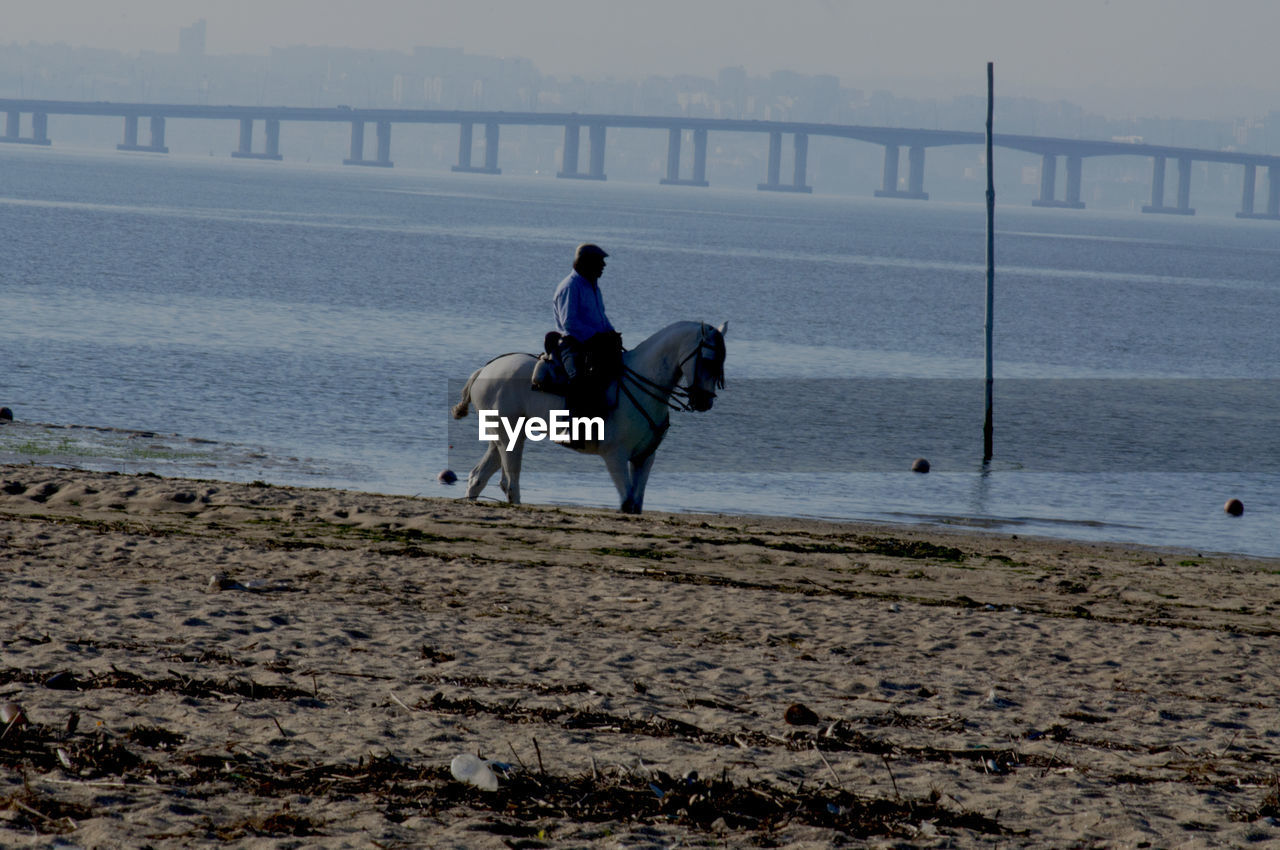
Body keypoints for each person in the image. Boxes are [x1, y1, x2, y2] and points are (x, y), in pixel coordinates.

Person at [552, 243, 622, 417]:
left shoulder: (593, 287)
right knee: (580, 380)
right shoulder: (570, 287)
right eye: (599, 261)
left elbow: (601, 318)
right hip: (573, 344)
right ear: (585, 263)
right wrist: (597, 337)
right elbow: (570, 323)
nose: (604, 266)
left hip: (594, 344)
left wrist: (612, 333)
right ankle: (573, 430)